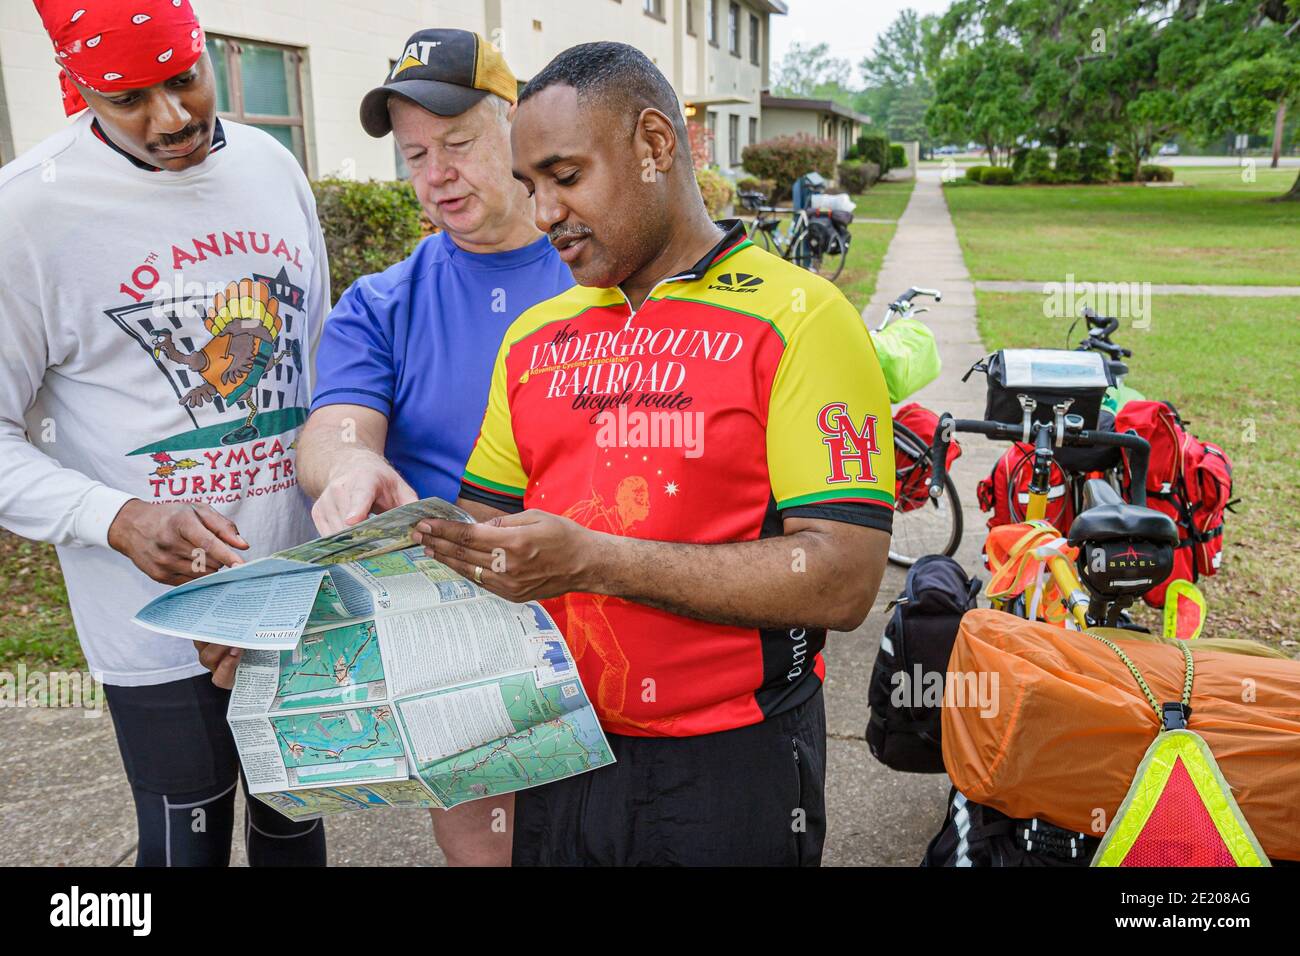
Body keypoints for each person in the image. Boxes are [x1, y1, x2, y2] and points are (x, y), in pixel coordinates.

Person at [413, 41, 895, 866]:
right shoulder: (533, 334)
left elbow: (844, 579)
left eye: (566, 177)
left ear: (654, 145)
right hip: (557, 751)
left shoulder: (802, 317)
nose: (544, 214)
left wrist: (595, 560)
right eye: (531, 187)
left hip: (732, 763)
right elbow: (477, 536)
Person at [200, 29, 574, 867]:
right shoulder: (382, 302)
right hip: (468, 641)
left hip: (613, 613)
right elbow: (335, 427)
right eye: (414, 155)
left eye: (458, 144)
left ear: (516, 127)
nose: (436, 174)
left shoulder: (604, 267)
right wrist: (354, 465)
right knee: (490, 851)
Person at [0, 0, 328, 866]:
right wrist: (114, 517)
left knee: (298, 831)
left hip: (296, 598)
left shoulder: (270, 164)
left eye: (184, 79)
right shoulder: (25, 214)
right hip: (153, 625)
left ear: (209, 49)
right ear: (76, 89)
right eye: (129, 98)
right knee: (183, 848)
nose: (172, 118)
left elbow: (326, 367)